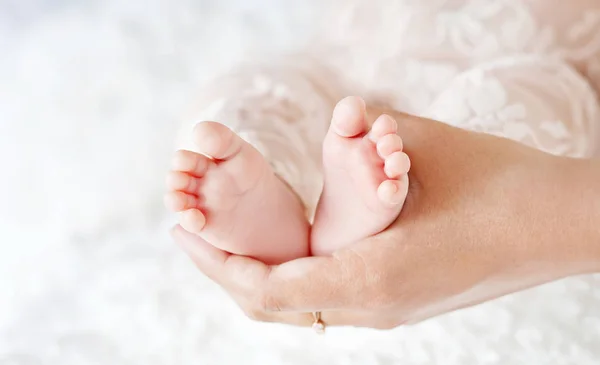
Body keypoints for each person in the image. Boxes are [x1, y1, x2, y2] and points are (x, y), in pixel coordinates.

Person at [165, 0, 600, 330]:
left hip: (542, 57)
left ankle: (391, 201)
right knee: (255, 95)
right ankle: (270, 191)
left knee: (518, 101)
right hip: (349, 59)